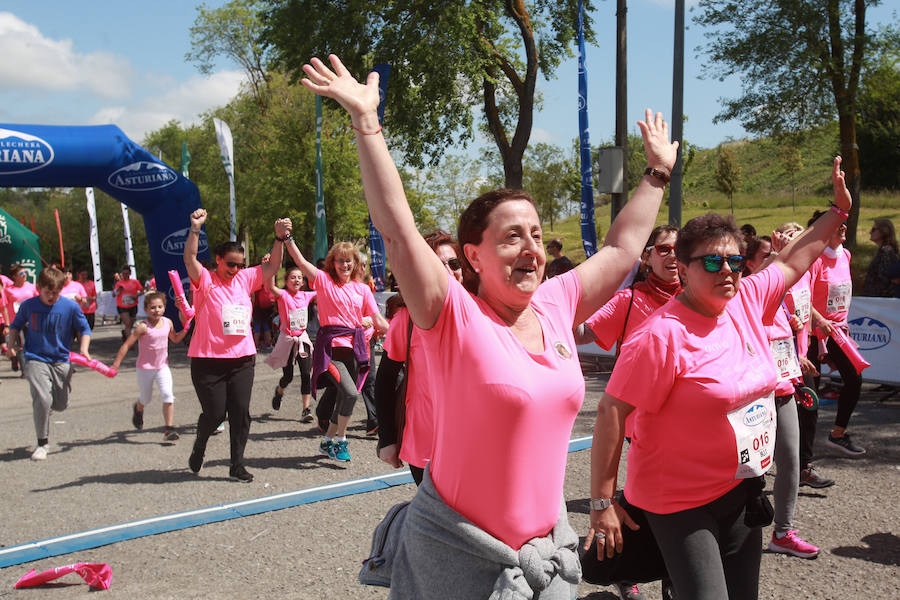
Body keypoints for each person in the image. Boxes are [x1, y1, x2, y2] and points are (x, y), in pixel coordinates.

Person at [301, 54, 675, 597]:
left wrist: (657, 172)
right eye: (512, 237)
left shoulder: (554, 303)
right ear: (473, 256)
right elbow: (399, 231)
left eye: (536, 234)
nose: (532, 249)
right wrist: (366, 122)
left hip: (547, 557)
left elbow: (621, 248)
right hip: (459, 555)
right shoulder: (451, 313)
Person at [587, 158, 852, 600]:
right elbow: (613, 410)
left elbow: (795, 258)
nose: (726, 270)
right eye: (711, 261)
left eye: (734, 260)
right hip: (678, 500)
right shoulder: (662, 336)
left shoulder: (747, 300)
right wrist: (601, 503)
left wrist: (838, 211)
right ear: (684, 269)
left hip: (740, 486)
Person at [575, 224, 681, 600]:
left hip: (684, 421)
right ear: (647, 256)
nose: (672, 256)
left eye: (678, 249)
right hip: (635, 419)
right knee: (636, 500)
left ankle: (675, 578)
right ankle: (626, 570)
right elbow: (584, 332)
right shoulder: (630, 300)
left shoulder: (696, 298)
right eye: (663, 249)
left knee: (677, 503)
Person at [183, 208, 290, 483]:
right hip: (208, 360)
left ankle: (237, 464)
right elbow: (190, 258)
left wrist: (279, 240)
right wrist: (195, 228)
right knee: (215, 413)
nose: (236, 269)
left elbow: (273, 267)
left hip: (242, 359)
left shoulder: (244, 279)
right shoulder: (206, 280)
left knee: (241, 413)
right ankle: (200, 443)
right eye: (231, 264)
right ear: (218, 260)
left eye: (240, 264)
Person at [284, 238, 389, 463]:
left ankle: (326, 442)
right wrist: (287, 239)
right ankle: (341, 440)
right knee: (350, 393)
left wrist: (408, 330)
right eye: (340, 261)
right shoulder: (324, 281)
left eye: (348, 261)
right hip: (330, 350)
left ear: (354, 263)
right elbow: (301, 262)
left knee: (345, 397)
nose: (345, 265)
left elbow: (378, 319)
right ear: (333, 262)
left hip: (355, 349)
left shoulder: (362, 289)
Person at [375, 230, 465, 486]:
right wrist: (388, 439)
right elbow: (385, 379)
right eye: (438, 264)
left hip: (472, 445)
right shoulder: (407, 319)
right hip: (425, 446)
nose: (448, 270)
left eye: (454, 264)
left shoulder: (482, 312)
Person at [753, 223, 820, 558]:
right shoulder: (743, 296)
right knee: (747, 470)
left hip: (784, 391)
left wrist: (795, 344)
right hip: (751, 398)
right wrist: (777, 256)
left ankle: (783, 532)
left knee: (791, 462)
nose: (775, 262)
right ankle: (731, 531)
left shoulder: (779, 303)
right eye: (766, 257)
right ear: (751, 264)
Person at [6, 267, 92, 460]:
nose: (52, 296)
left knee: (60, 405)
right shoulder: (29, 306)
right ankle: (42, 443)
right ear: (39, 288)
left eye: (56, 292)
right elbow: (15, 326)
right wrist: (11, 346)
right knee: (43, 398)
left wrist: (84, 349)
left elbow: (84, 329)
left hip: (61, 360)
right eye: (47, 292)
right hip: (35, 357)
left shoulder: (70, 307)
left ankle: (47, 407)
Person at [806, 210, 865, 456]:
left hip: (837, 334)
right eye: (837, 224)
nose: (843, 227)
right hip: (813, 336)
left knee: (854, 378)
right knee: (811, 395)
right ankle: (801, 456)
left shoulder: (846, 255)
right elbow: (802, 298)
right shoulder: (815, 260)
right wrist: (820, 321)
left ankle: (838, 434)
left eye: (844, 224)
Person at [111, 291, 189, 442]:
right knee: (146, 399)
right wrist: (116, 364)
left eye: (160, 307)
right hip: (145, 368)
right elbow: (127, 345)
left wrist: (185, 329)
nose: (156, 310)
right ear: (146, 309)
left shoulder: (168, 323)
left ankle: (169, 429)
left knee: (168, 395)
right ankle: (138, 408)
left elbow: (175, 339)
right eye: (152, 307)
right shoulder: (142, 327)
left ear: (164, 308)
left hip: (162, 367)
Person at [264, 263, 317, 423]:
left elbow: (324, 290)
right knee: (288, 376)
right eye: (293, 277)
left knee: (306, 374)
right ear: (286, 281)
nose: (296, 280)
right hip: (287, 339)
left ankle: (305, 409)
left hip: (302, 338)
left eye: (299, 278)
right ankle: (279, 391)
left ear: (303, 282)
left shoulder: (306, 296)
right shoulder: (282, 295)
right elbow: (269, 286)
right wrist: (270, 268)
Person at [2, 265, 38, 371]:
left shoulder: (31, 287)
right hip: (17, 321)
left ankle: (25, 362)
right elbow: (4, 307)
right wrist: (6, 323)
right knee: (21, 344)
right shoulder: (8, 290)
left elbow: (39, 301)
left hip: (31, 320)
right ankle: (24, 370)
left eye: (25, 272)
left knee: (31, 343)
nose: (24, 275)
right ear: (14, 276)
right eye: (21, 273)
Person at [861, 218, 899, 297]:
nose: (870, 232)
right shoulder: (885, 251)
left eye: (873, 229)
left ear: (883, 231)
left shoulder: (886, 252)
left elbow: (884, 281)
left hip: (880, 303)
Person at [113, 266, 144, 341]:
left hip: (133, 305)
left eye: (127, 273)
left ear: (130, 273)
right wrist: (118, 290)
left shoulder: (135, 282)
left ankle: (125, 333)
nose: (125, 275)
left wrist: (136, 295)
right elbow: (114, 295)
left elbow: (142, 291)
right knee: (127, 323)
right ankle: (130, 343)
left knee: (130, 324)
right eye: (123, 274)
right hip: (122, 306)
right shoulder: (119, 283)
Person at [252, 281, 276, 351]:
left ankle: (255, 344)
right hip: (267, 306)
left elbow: (253, 295)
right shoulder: (267, 280)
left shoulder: (256, 282)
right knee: (266, 325)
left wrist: (252, 306)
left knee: (257, 326)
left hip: (257, 306)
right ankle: (268, 343)